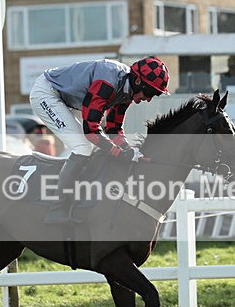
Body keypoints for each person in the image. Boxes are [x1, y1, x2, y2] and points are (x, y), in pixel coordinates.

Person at [29, 56, 170, 224]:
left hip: (68, 99)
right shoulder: (107, 83)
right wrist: (120, 153)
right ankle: (56, 208)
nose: (148, 99)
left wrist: (130, 151)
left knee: (91, 147)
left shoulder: (128, 90)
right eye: (150, 93)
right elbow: (92, 131)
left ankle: (77, 198)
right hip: (47, 93)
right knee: (83, 147)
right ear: (139, 81)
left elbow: (113, 129)